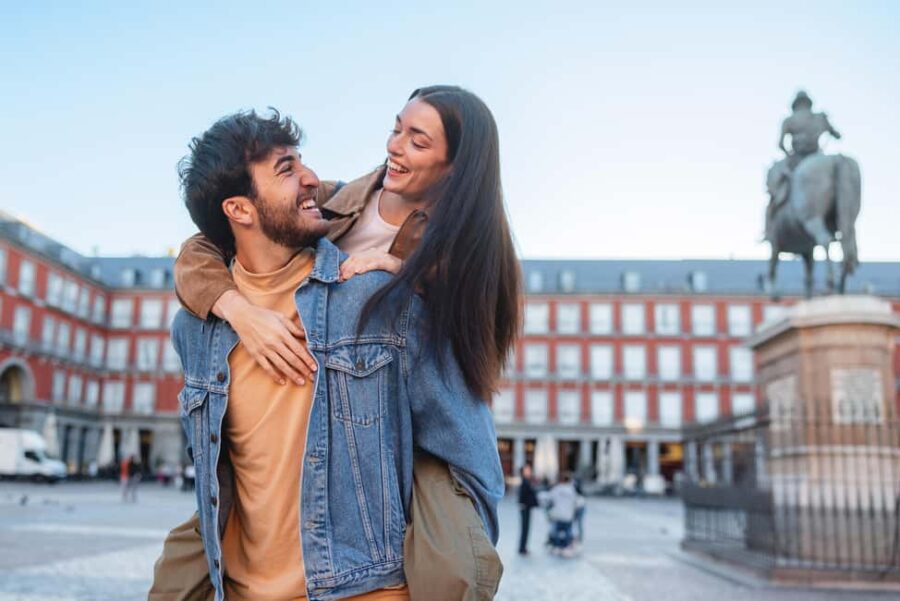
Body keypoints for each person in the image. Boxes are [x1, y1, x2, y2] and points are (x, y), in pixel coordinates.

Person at [151, 86, 519, 601]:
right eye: (397, 129)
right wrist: (236, 310)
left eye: (418, 141)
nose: (394, 146)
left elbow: (469, 451)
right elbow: (206, 238)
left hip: (365, 563)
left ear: (454, 167)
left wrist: (402, 273)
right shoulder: (340, 201)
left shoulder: (442, 266)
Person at [547, 473, 578, 557]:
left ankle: (557, 546)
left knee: (557, 531)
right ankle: (566, 546)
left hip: (558, 514)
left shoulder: (557, 489)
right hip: (568, 514)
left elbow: (550, 499)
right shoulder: (572, 490)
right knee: (568, 531)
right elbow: (575, 502)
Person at [517, 464, 539, 556]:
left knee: (526, 528)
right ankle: (522, 548)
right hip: (525, 508)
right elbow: (523, 495)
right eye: (527, 470)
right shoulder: (525, 482)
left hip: (526, 507)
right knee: (525, 528)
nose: (529, 471)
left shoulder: (527, 481)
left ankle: (523, 547)